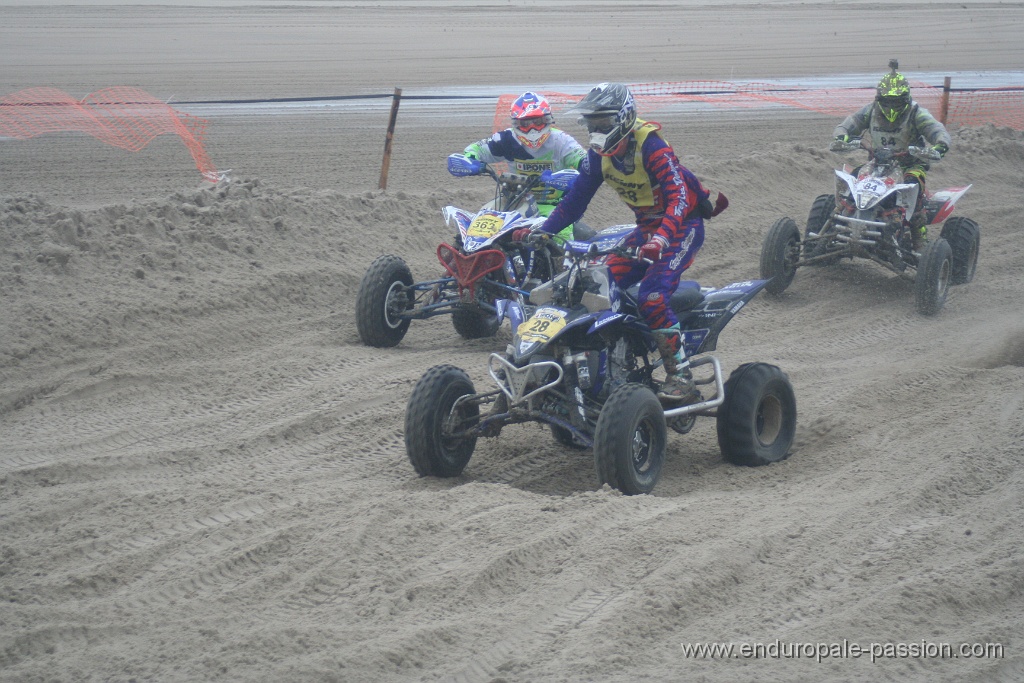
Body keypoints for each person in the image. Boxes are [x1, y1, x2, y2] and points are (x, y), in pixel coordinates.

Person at [519, 82, 727, 404]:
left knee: (653, 296)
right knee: (596, 285)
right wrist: (544, 231)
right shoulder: (598, 155)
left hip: (681, 228)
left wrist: (661, 237)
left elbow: (679, 197)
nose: (596, 130)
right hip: (646, 229)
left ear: (624, 118)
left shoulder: (652, 147)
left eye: (602, 123)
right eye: (592, 124)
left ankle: (680, 375)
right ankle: (615, 362)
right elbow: (575, 201)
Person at [831, 60, 952, 251]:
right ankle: (834, 222)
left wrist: (939, 146)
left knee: (914, 187)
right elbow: (849, 124)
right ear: (880, 98)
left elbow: (937, 130)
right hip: (877, 163)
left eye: (896, 101)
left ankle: (918, 238)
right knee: (851, 181)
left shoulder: (917, 113)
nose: (891, 106)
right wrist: (842, 136)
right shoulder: (870, 110)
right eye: (887, 101)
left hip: (909, 164)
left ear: (905, 98)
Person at [462, 91, 587, 245]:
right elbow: (477, 149)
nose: (532, 130)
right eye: (526, 124)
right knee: (481, 223)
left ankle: (565, 265)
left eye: (538, 122)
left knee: (561, 232)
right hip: (515, 201)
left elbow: (585, 162)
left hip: (553, 204)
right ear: (516, 124)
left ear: (548, 120)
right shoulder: (506, 139)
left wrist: (570, 176)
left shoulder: (561, 141)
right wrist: (469, 161)